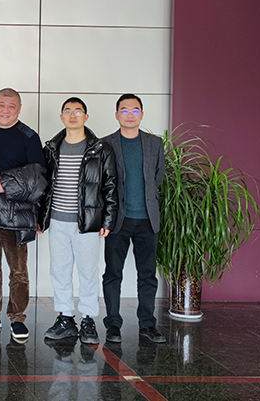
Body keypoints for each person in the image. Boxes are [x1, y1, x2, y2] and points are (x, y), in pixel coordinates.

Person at [40, 97, 117, 345]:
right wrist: (41, 218)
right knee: (59, 271)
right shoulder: (51, 148)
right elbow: (44, 186)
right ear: (61, 117)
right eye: (67, 111)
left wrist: (107, 220)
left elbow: (110, 186)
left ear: (86, 116)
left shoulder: (101, 149)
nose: (72, 115)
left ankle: (88, 320)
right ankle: (65, 318)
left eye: (78, 111)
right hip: (58, 221)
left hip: (88, 222)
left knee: (88, 272)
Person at [0, 88, 47, 342]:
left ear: (19, 108)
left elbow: (39, 178)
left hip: (17, 213)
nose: (6, 110)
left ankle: (17, 319)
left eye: (11, 106)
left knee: (18, 271)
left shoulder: (29, 136)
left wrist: (7, 184)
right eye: (1, 105)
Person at [101, 94, 167, 344]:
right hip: (118, 220)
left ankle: (147, 324)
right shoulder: (105, 144)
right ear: (117, 114)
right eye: (125, 110)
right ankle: (113, 324)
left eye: (135, 110)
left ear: (142, 114)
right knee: (113, 273)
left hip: (147, 219)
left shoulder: (155, 143)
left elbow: (157, 177)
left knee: (147, 274)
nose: (130, 115)